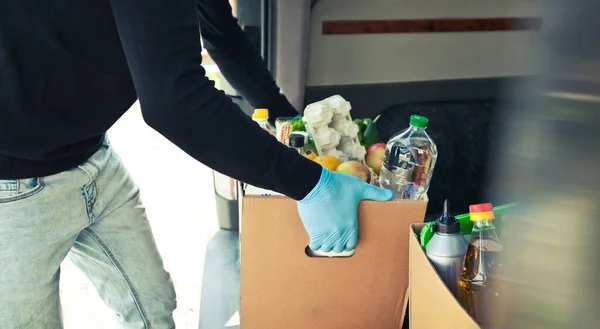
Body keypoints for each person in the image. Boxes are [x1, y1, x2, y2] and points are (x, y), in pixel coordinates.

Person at [0, 0, 393, 328]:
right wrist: (311, 183)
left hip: (92, 157)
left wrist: (291, 125)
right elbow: (174, 102)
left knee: (153, 308)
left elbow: (222, 36)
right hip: (13, 185)